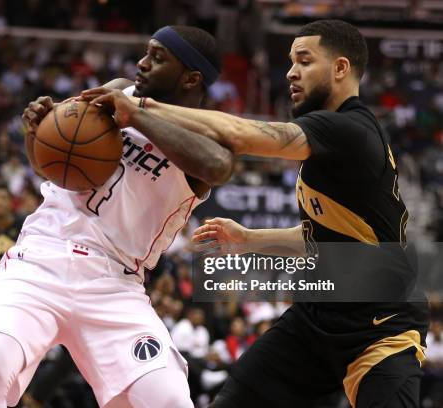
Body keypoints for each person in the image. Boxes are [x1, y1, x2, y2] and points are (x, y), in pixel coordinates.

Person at [83, 19, 429, 408]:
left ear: (341, 68)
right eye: (290, 61)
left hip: (380, 328)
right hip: (317, 319)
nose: (290, 72)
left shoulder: (349, 129)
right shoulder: (334, 140)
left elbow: (239, 134)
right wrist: (249, 239)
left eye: (304, 60)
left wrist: (142, 107)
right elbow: (324, 236)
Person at [0, 25, 234, 408]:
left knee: (169, 399)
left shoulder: (208, 134)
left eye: (158, 58)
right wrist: (38, 132)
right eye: (147, 52)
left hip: (116, 283)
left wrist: (137, 116)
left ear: (191, 78)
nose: (143, 63)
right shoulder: (119, 88)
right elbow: (57, 166)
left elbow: (217, 167)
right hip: (40, 260)